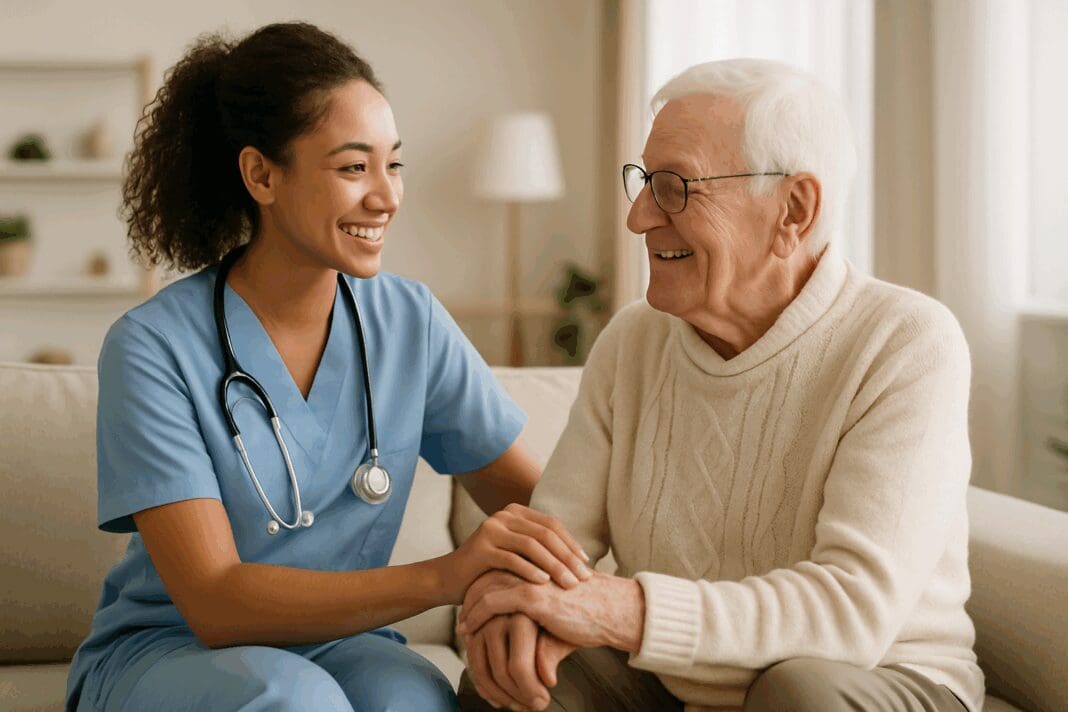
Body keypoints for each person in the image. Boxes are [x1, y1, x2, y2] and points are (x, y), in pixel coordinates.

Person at [65, 22, 592, 712]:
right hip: (173, 648)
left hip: (339, 641)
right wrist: (448, 576)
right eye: (352, 167)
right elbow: (215, 601)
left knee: (414, 701)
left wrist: (597, 591)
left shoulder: (410, 322)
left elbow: (539, 508)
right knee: (295, 700)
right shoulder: (153, 347)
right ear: (261, 175)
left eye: (392, 164)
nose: (386, 196)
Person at [455, 58, 983, 712]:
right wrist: (517, 611)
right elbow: (554, 546)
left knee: (798, 693)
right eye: (645, 182)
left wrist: (626, 607)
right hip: (677, 683)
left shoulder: (904, 342)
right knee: (508, 675)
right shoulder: (633, 341)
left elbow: (851, 616)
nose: (640, 217)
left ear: (794, 208)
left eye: (675, 186)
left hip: (877, 678)